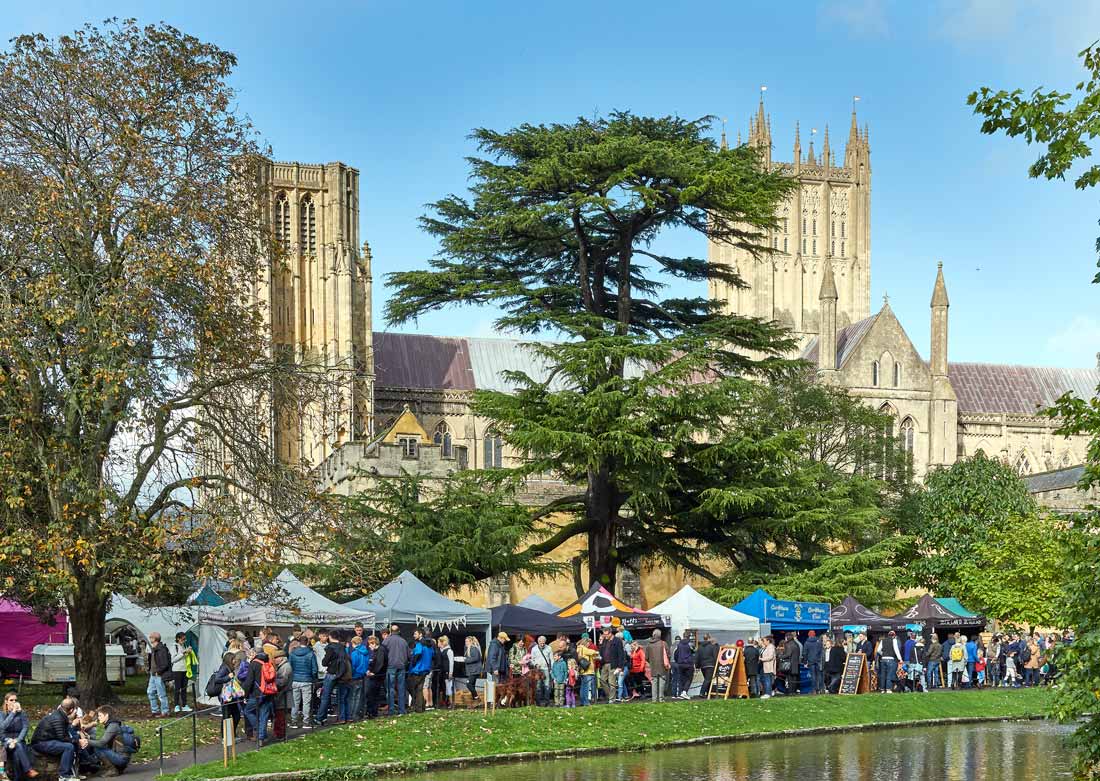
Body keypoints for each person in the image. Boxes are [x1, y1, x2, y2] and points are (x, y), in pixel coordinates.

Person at [31, 698, 83, 781]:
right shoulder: (58, 718)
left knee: (73, 743)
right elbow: (62, 738)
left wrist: (78, 740)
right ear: (71, 710)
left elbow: (66, 734)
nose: (76, 712)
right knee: (68, 747)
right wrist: (77, 741)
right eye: (75, 710)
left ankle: (73, 773)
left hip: (49, 740)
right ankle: (63, 776)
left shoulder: (61, 715)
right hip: (40, 743)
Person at [316, 631, 350, 725]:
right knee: (342, 697)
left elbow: (324, 662)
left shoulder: (331, 648)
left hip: (331, 673)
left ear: (330, 637)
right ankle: (343, 717)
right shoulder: (342, 647)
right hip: (342, 674)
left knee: (325, 696)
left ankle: (320, 717)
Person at [85, 706, 129, 775]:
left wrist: (86, 741)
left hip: (121, 758)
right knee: (97, 745)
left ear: (107, 715)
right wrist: (90, 739)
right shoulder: (114, 724)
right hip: (122, 756)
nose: (98, 718)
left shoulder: (113, 726)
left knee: (97, 748)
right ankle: (117, 768)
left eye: (100, 715)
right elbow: (105, 742)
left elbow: (101, 743)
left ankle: (112, 769)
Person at [0, 691, 33, 780]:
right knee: (16, 746)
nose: (14, 702)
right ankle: (29, 770)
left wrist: (17, 740)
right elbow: (2, 728)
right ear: (6, 701)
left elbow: (25, 727)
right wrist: (13, 712)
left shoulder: (22, 713)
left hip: (19, 741)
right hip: (7, 742)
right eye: (11, 700)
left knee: (17, 757)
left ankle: (17, 779)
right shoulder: (2, 714)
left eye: (15, 700)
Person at [289, 635, 318, 729]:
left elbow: (290, 667)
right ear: (307, 642)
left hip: (295, 680)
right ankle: (306, 722)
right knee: (306, 703)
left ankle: (294, 722)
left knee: (295, 702)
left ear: (299, 642)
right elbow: (314, 669)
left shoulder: (293, 653)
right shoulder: (311, 653)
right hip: (307, 680)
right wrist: (313, 678)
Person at [382, 626, 410, 716]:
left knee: (390, 689)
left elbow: (382, 654)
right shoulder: (404, 641)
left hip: (391, 666)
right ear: (399, 631)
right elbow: (408, 655)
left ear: (390, 631)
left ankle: (391, 711)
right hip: (402, 666)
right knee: (401, 688)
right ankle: (402, 710)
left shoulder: (386, 640)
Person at [408, 630, 434, 713]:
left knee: (413, 688)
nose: (413, 635)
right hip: (426, 669)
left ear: (420, 634)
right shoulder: (430, 645)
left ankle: (418, 707)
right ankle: (421, 706)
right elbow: (433, 655)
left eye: (415, 633)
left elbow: (418, 654)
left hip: (417, 669)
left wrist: (414, 663)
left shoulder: (419, 644)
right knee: (419, 689)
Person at [145, 632, 171, 718]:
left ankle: (165, 711)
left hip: (158, 674)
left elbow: (165, 663)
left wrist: (159, 672)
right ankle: (155, 710)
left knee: (161, 694)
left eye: (151, 637)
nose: (150, 638)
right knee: (150, 692)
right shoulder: (154, 649)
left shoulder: (161, 649)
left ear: (154, 639)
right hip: (153, 674)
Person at [599, 629, 626, 704]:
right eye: (604, 634)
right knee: (602, 680)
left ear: (610, 633)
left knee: (612, 682)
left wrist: (620, 667)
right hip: (604, 664)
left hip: (613, 664)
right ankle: (610, 696)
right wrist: (600, 645)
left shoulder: (617, 641)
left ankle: (612, 699)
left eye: (606, 634)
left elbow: (621, 654)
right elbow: (601, 652)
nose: (605, 636)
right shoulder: (604, 641)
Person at [364, 635, 387, 718]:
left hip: (377, 676)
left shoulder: (380, 650)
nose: (369, 647)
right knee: (374, 695)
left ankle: (372, 712)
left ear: (373, 643)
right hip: (377, 675)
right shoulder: (378, 651)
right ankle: (373, 712)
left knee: (371, 694)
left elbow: (380, 663)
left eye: (370, 645)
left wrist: (373, 672)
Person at [271, 647, 292, 739]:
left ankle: (280, 734)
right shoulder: (282, 666)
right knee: (279, 715)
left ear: (282, 657)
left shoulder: (285, 667)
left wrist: (272, 682)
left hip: (283, 695)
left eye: (276, 658)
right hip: (282, 694)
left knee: (281, 716)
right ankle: (279, 733)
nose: (274, 660)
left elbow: (282, 682)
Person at [348, 635, 370, 719]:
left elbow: (353, 665)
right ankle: (358, 713)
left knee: (353, 696)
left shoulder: (354, 653)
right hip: (363, 675)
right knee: (359, 696)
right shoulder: (366, 652)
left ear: (354, 643)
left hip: (355, 676)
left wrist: (351, 674)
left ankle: (352, 714)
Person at [645, 630, 670, 703]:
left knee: (654, 682)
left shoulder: (649, 645)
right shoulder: (664, 644)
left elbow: (646, 657)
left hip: (653, 666)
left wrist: (651, 662)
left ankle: (654, 699)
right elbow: (668, 654)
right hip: (662, 666)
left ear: (653, 635)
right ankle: (661, 698)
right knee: (662, 682)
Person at [529, 636, 554, 706]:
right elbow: (532, 659)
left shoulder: (549, 648)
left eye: (543, 643)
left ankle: (547, 702)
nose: (542, 644)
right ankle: (538, 702)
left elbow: (552, 659)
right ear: (538, 642)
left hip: (546, 669)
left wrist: (552, 668)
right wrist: (535, 664)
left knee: (547, 686)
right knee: (538, 686)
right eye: (541, 643)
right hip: (537, 670)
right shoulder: (534, 649)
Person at [574, 638, 599, 706]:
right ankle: (586, 702)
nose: (589, 644)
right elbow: (592, 652)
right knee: (586, 688)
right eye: (588, 643)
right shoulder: (584, 648)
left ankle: (582, 701)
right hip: (588, 671)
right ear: (586, 642)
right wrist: (597, 652)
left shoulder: (578, 648)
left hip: (582, 671)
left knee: (582, 687)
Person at [436, 636, 454, 709]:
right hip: (442, 671)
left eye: (439, 642)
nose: (438, 643)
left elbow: (451, 662)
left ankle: (449, 702)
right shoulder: (441, 650)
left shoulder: (449, 651)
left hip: (447, 671)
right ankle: (444, 701)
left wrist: (450, 673)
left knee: (448, 687)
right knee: (443, 687)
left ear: (443, 642)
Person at [462, 637, 482, 702]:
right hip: (472, 670)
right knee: (472, 685)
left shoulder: (474, 648)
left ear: (471, 642)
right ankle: (475, 699)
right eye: (465, 641)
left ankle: (476, 697)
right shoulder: (468, 649)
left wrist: (465, 660)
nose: (466, 643)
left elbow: (476, 658)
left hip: (474, 670)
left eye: (467, 641)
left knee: (469, 684)